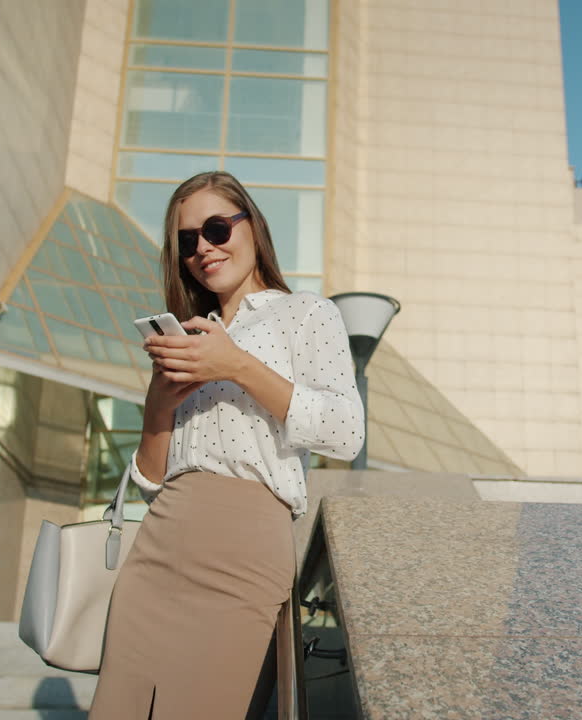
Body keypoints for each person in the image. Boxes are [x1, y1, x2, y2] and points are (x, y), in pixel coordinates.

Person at [88, 171, 364, 719]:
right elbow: (150, 478)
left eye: (216, 229)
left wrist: (235, 366)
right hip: (161, 546)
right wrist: (160, 401)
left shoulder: (306, 313)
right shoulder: (191, 335)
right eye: (187, 241)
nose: (203, 249)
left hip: (245, 547)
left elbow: (345, 432)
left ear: (252, 227)